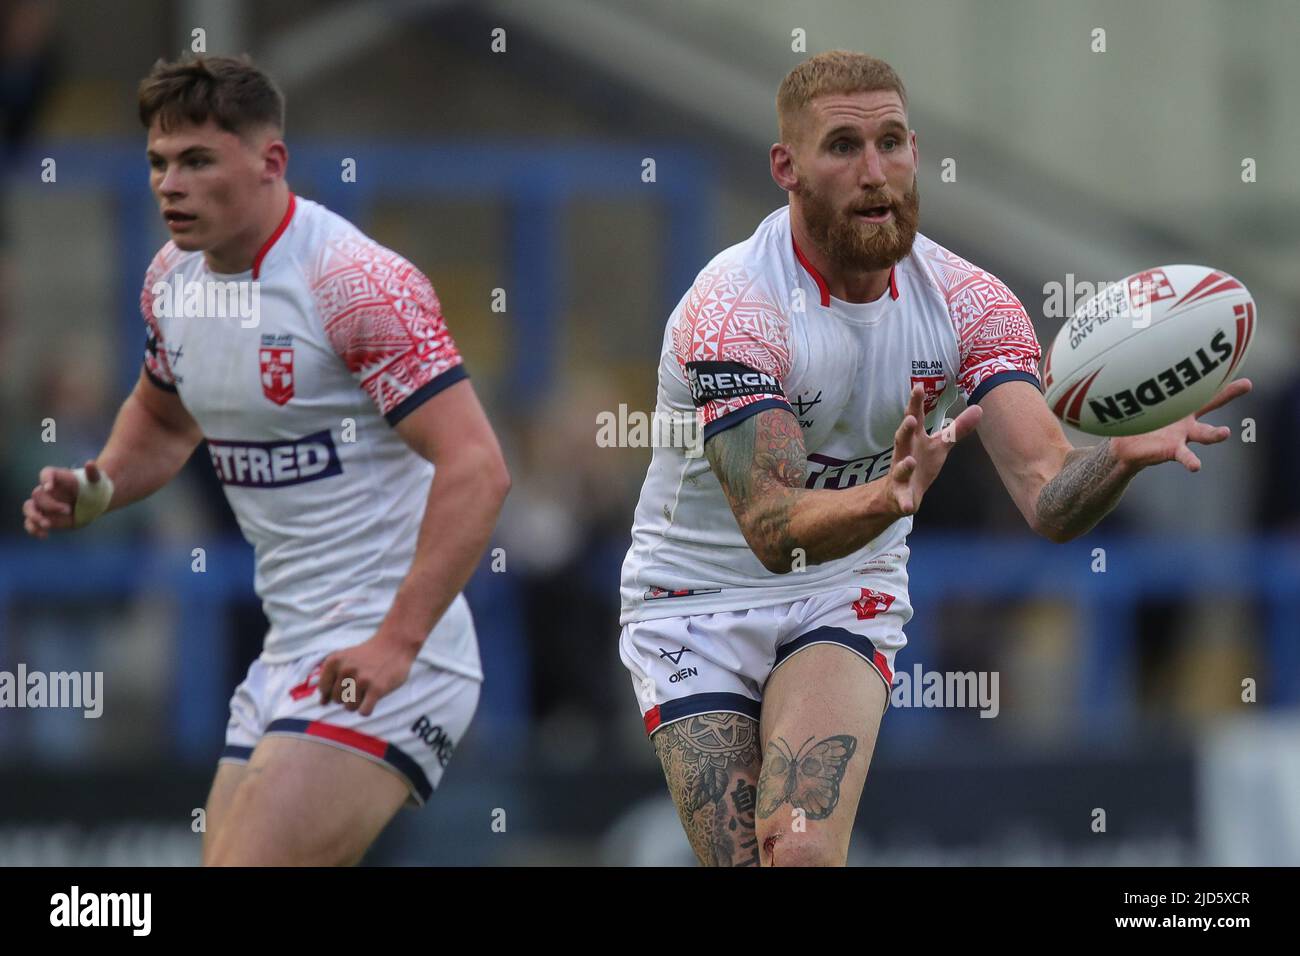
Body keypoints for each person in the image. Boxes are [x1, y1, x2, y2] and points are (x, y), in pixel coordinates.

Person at [617, 50, 1249, 867]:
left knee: (800, 852)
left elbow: (1049, 498)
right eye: (843, 146)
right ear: (788, 167)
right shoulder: (734, 308)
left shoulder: (972, 304)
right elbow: (774, 527)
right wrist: (888, 495)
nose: (875, 172)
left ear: (916, 149)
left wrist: (1118, 457)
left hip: (842, 592)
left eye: (892, 143)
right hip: (691, 598)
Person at [20, 54, 510, 865]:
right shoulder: (170, 282)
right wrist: (99, 485)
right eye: (158, 163)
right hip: (288, 655)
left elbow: (478, 466)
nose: (169, 184)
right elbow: (162, 419)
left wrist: (396, 642)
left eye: (198, 160)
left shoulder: (353, 283)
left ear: (269, 162)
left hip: (392, 659)